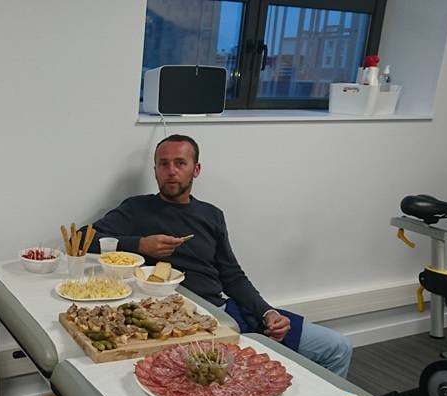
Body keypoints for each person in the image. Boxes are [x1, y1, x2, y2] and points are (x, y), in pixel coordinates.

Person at [89, 134, 351, 377]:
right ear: (155, 170)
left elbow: (232, 275)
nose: (171, 171)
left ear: (196, 169)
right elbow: (82, 239)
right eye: (163, 164)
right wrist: (139, 245)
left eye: (180, 163)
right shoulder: (136, 209)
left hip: (226, 310)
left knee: (337, 347)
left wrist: (267, 312)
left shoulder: (211, 215)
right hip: (178, 322)